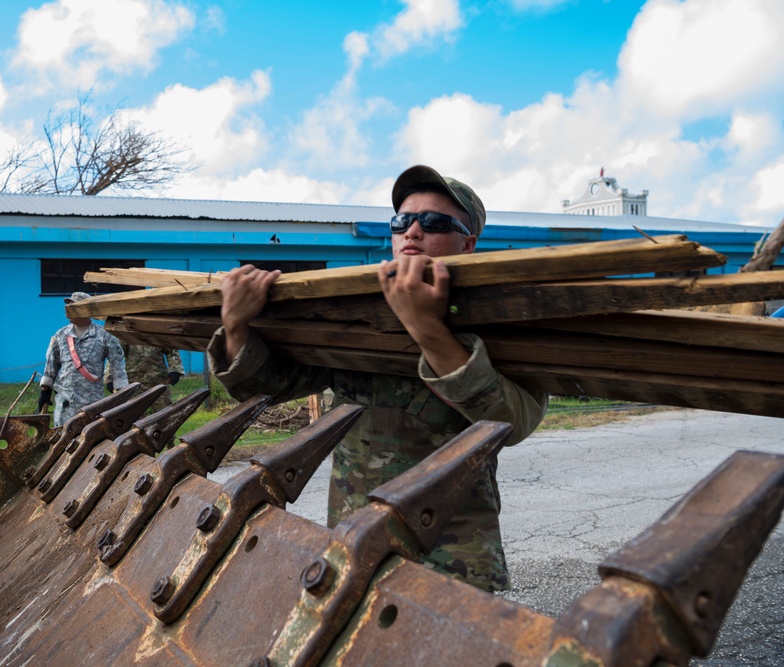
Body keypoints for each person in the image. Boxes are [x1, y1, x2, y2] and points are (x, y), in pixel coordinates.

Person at [206, 165, 548, 592]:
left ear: (469, 243)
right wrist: (236, 327)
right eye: (402, 222)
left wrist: (427, 329)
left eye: (436, 222)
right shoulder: (356, 315)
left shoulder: (507, 317)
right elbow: (269, 388)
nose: (413, 232)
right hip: (354, 539)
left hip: (450, 555)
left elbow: (511, 423)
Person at [38, 291, 128, 426]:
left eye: (74, 307)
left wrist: (120, 393)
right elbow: (51, 364)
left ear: (86, 310)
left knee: (91, 441)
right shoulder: (61, 335)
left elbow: (117, 365)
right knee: (62, 443)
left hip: (92, 405)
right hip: (65, 405)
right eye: (68, 307)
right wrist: (45, 391)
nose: (69, 311)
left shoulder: (104, 336)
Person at [119, 345, 185, 410]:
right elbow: (116, 353)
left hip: (158, 381)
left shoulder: (157, 334)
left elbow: (171, 350)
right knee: (131, 414)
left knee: (165, 413)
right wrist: (112, 378)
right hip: (133, 382)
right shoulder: (128, 335)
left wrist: (175, 370)